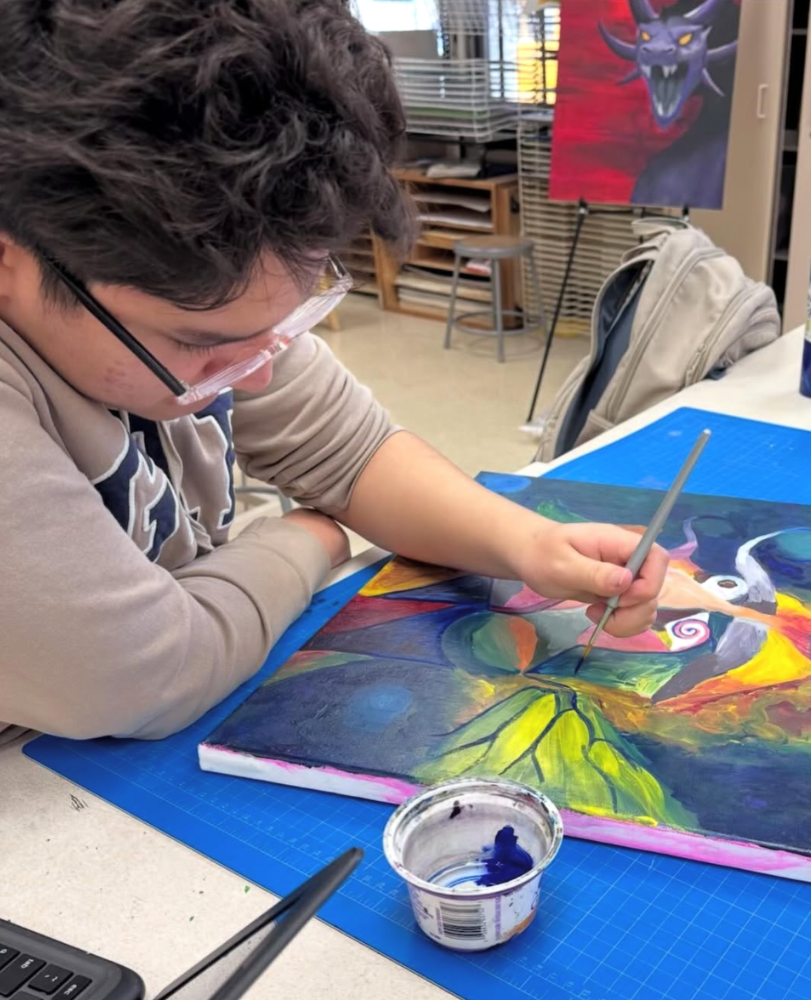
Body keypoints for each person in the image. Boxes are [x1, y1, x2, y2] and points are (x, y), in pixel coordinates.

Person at [0, 0, 668, 742]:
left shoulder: (200, 294)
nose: (255, 378)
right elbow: (137, 677)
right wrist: (306, 539)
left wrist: (528, 545)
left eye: (282, 324)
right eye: (198, 343)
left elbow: (351, 453)